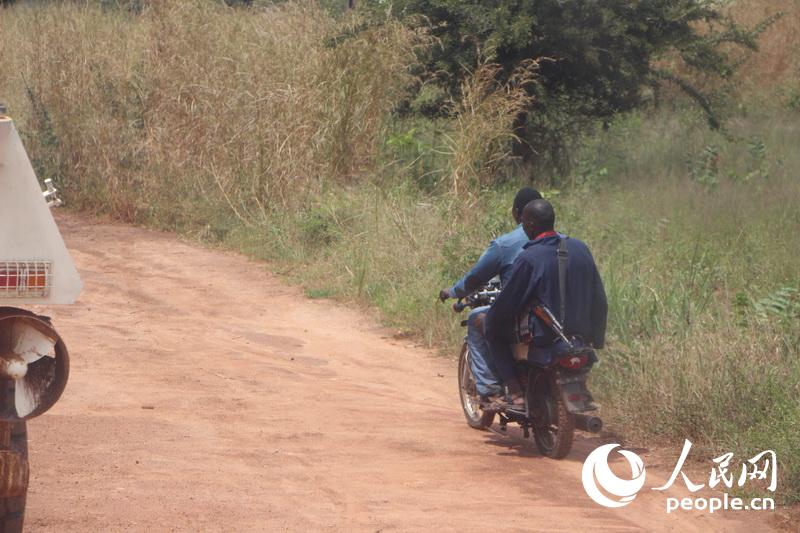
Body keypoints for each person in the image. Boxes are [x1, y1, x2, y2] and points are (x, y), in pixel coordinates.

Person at [484, 199, 608, 409]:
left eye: (523, 223)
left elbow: (508, 302)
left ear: (530, 225)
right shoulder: (580, 248)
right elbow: (600, 299)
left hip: (544, 335)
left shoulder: (530, 257)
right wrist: (596, 338)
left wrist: (492, 318)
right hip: (581, 337)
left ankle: (514, 391)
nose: (523, 227)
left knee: (491, 327)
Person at [439, 187, 542, 399]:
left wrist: (453, 291)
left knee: (477, 318)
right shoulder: (563, 241)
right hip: (555, 314)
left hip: (522, 313)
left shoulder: (506, 244)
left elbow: (475, 278)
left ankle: (489, 388)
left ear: (517, 214)